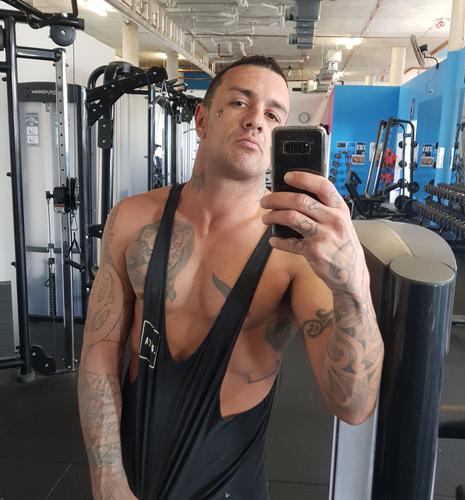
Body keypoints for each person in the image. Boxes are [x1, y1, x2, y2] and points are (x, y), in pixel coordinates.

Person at [77, 55, 384, 500]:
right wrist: (107, 480)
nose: (257, 120)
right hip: (130, 479)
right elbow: (99, 352)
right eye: (241, 102)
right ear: (202, 119)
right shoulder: (131, 219)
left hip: (231, 487)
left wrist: (353, 286)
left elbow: (352, 405)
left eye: (273, 115)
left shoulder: (297, 251)